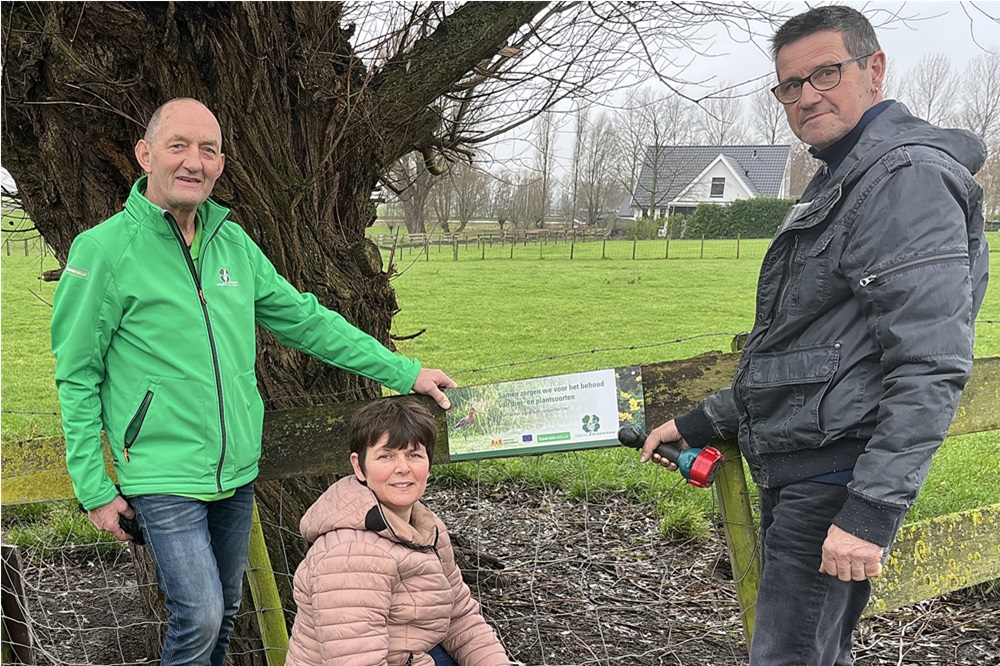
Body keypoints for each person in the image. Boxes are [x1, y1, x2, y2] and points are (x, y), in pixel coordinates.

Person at [50, 98, 457, 666]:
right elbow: (76, 372)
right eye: (179, 146)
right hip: (162, 472)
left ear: (220, 162)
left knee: (227, 617)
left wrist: (404, 370)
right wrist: (94, 487)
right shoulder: (103, 251)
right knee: (201, 614)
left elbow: (307, 320)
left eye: (209, 150)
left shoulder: (233, 245)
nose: (194, 161)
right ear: (146, 155)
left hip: (237, 468)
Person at [641, 6, 989, 665]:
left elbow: (930, 364)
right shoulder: (846, 176)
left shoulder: (902, 180)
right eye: (789, 86)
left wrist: (869, 513)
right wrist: (700, 420)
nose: (806, 96)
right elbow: (809, 351)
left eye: (825, 73)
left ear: (874, 68)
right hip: (810, 471)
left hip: (835, 480)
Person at [284, 398, 510, 666]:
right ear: (359, 467)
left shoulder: (428, 528)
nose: (403, 467)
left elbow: (459, 617)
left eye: (414, 454)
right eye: (386, 455)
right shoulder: (349, 554)